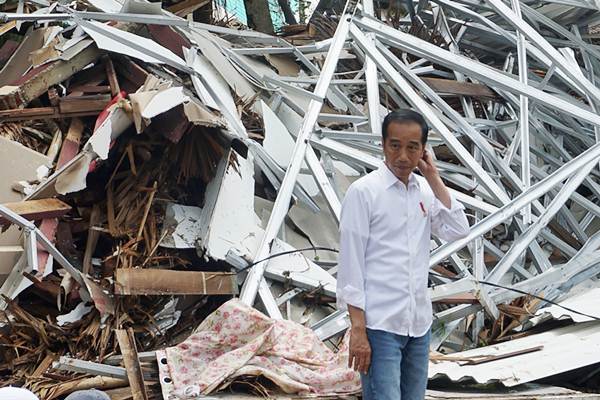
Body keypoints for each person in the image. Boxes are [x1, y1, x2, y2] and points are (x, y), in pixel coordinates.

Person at [337, 109, 470, 400]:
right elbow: (350, 266)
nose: (403, 156)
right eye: (395, 145)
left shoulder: (423, 191)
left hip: (418, 325)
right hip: (380, 325)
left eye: (412, 148)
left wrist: (433, 176)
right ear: (383, 145)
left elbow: (459, 230)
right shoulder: (364, 192)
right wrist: (358, 331)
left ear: (424, 150)